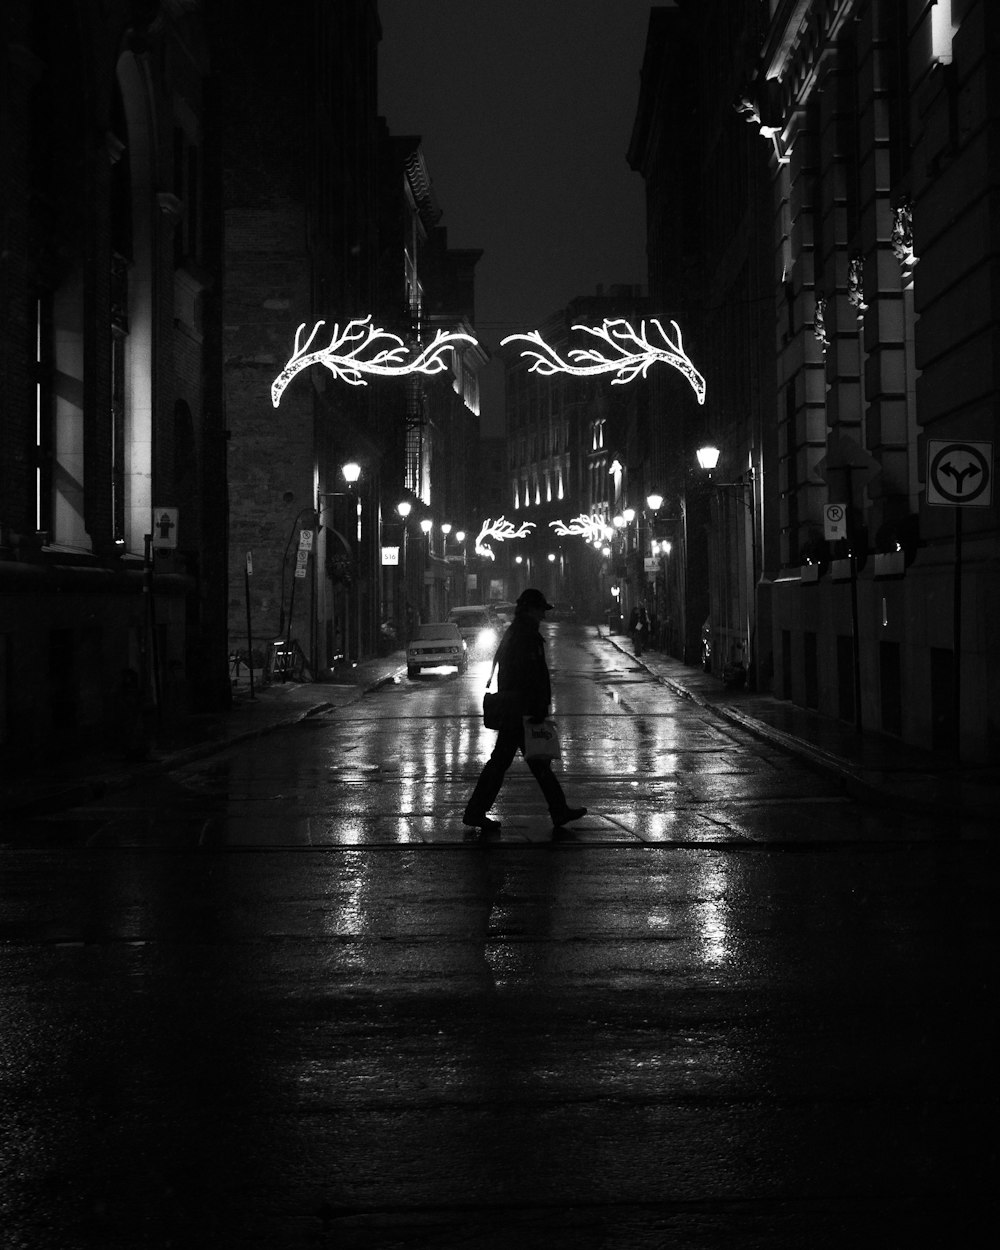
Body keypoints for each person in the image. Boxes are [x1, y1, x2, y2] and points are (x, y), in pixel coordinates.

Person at [463, 587, 587, 836]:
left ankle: (557, 809)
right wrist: (537, 706)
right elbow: (528, 675)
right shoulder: (524, 635)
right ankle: (557, 810)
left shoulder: (519, 632)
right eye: (540, 609)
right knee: (527, 763)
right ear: (531, 609)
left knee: (525, 763)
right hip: (522, 711)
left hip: (518, 709)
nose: (543, 614)